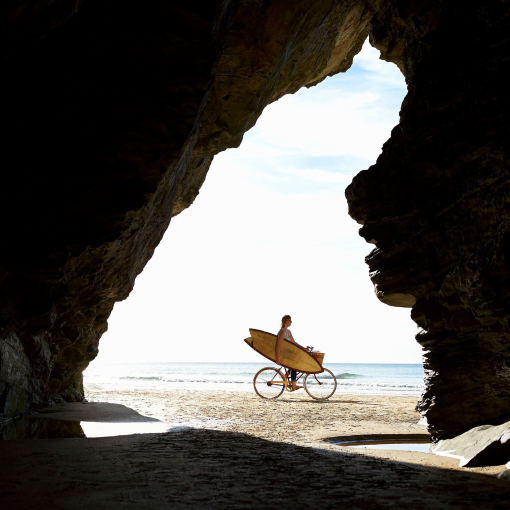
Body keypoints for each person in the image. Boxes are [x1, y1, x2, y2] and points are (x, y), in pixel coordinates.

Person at [276, 315, 302, 391]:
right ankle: (294, 386)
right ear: (285, 321)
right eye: (290, 320)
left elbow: (294, 342)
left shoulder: (289, 332)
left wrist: (303, 348)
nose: (291, 322)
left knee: (296, 363)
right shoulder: (282, 331)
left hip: (289, 353)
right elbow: (278, 345)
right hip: (284, 354)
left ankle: (286, 375)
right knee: (294, 366)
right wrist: (278, 357)